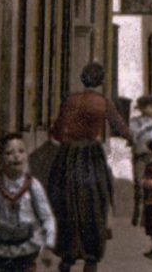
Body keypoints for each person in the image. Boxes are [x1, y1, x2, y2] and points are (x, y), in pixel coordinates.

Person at [46, 62, 128, 272]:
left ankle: (67, 254)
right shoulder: (103, 102)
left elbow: (56, 132)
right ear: (101, 81)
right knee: (95, 202)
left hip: (67, 156)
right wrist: (136, 141)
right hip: (91, 156)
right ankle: (90, 257)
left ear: (83, 79)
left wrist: (64, 139)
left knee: (65, 202)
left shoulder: (70, 99)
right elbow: (120, 127)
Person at [0, 131, 57, 272]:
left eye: (21, 151)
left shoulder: (33, 186)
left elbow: (47, 217)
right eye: (9, 153)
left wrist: (48, 246)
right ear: (1, 158)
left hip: (26, 252)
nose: (16, 156)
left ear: (26, 156)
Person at [126, 97, 152, 229]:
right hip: (140, 157)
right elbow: (133, 137)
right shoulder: (134, 122)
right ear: (143, 108)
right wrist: (147, 126)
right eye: (151, 107)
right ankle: (138, 218)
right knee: (140, 188)